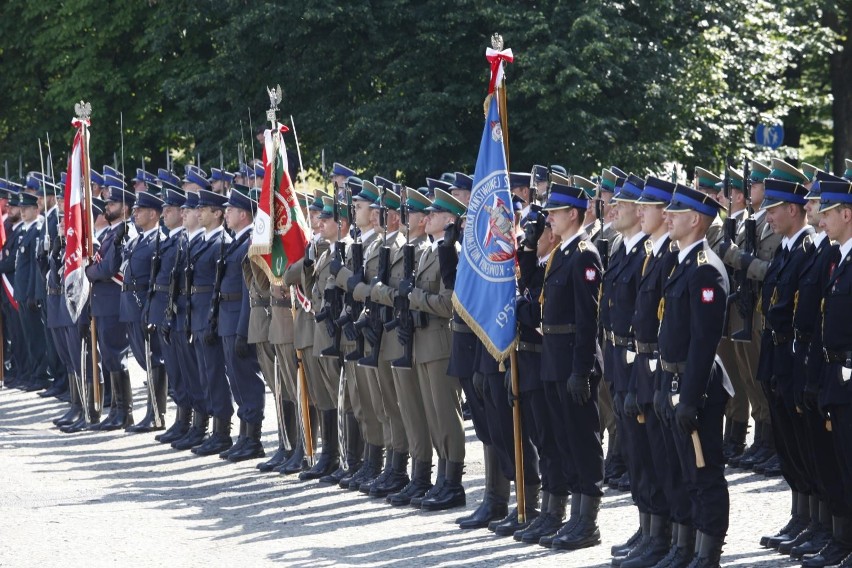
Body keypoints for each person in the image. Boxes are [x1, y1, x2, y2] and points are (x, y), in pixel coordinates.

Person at [658, 184, 732, 566]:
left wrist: (689, 396)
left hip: (696, 386)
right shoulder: (684, 262)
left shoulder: (705, 269)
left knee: (705, 475)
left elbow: (704, 342)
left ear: (696, 219)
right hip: (675, 381)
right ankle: (684, 547)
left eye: (676, 211)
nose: (666, 215)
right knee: (683, 472)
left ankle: (708, 554)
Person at [536, 181, 604, 551]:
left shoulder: (584, 254)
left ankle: (587, 521)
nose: (549, 218)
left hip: (572, 360)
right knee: (562, 439)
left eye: (554, 212)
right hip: (553, 357)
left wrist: (581, 369)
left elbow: (587, 317)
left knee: (582, 440)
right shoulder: (562, 253)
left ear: (572, 214)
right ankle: (570, 515)